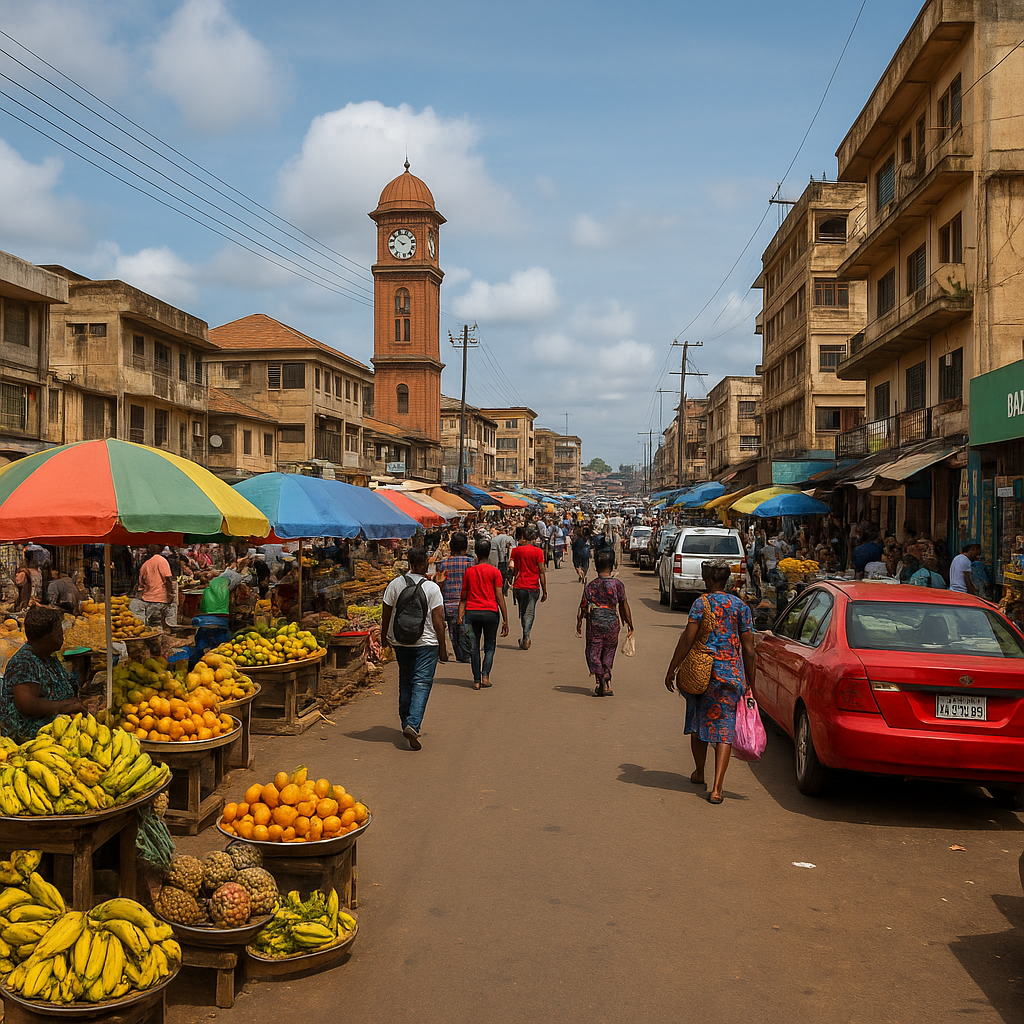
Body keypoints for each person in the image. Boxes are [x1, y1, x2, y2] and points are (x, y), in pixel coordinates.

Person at [662, 559, 756, 805]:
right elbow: (749, 648)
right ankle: (717, 788)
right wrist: (751, 682)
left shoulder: (700, 604)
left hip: (701, 674)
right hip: (731, 675)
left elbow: (687, 638)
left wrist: (673, 667)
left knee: (698, 721)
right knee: (724, 731)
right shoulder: (740, 607)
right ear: (727, 580)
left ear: (708, 579)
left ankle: (700, 771)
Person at [380, 548, 448, 750]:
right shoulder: (432, 588)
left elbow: (386, 615)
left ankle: (406, 721)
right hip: (427, 644)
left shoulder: (395, 584)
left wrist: (384, 638)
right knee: (422, 683)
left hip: (401, 642)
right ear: (425, 565)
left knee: (406, 681)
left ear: (409, 563)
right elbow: (438, 622)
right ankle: (413, 723)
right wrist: (443, 648)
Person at [0, 606, 89, 740]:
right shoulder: (24, 663)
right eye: (59, 631)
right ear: (49, 636)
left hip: (58, 726)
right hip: (32, 736)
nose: (62, 635)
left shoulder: (48, 656)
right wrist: (64, 706)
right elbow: (28, 705)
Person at [576, 548, 634, 696]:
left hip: (594, 623)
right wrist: (630, 624)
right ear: (613, 565)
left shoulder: (591, 585)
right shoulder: (617, 585)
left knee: (594, 651)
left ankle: (599, 678)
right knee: (608, 651)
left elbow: (583, 606)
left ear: (595, 566)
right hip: (612, 623)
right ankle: (607, 683)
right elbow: (624, 605)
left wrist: (578, 623)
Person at [457, 537, 509, 689]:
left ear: (476, 555)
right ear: (488, 553)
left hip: (471, 614)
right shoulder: (495, 572)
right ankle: (485, 674)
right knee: (490, 646)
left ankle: (476, 680)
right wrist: (506, 620)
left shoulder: (469, 572)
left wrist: (460, 616)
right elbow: (499, 597)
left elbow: (463, 598)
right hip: (491, 613)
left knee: (474, 647)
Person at [434, 532, 473, 650]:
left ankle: (458, 652)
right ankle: (465, 653)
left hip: (448, 603)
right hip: (466, 603)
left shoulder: (443, 564)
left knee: (453, 632)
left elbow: (440, 583)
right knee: (466, 631)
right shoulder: (469, 563)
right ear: (465, 547)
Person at [510, 527, 547, 650]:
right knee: (529, 613)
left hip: (519, 586)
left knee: (522, 612)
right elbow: (541, 572)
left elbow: (514, 570)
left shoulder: (516, 551)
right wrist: (545, 590)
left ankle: (525, 636)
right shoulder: (538, 552)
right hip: (532, 586)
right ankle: (526, 636)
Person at [137, 545, 174, 626]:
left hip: (148, 599)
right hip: (160, 598)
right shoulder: (162, 561)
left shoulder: (145, 564)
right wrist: (171, 593)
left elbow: (141, 584)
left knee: (152, 625)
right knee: (161, 624)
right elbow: (167, 578)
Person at [492, 527, 515, 595]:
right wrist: (510, 560)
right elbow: (512, 549)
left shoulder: (494, 539)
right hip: (505, 560)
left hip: (498, 561)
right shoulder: (509, 538)